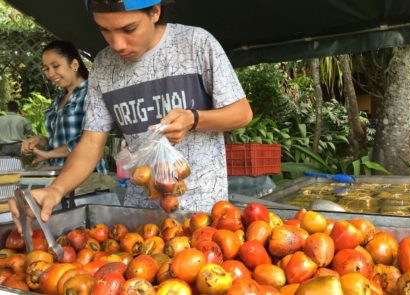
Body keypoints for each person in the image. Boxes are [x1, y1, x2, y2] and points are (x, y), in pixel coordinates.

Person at [9, 0, 252, 231]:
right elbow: (91, 142)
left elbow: (242, 113)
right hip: (141, 215)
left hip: (204, 212)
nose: (118, 44)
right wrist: (55, 190)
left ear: (155, 12)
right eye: (105, 30)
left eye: (129, 28)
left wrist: (195, 119)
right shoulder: (104, 66)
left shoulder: (195, 44)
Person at [21, 40, 107, 173]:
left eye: (55, 66)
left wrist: (49, 154)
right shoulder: (58, 100)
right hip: (57, 175)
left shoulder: (92, 94)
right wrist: (39, 140)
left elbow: (88, 141)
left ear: (74, 64)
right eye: (46, 68)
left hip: (85, 177)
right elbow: (59, 139)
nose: (50, 74)